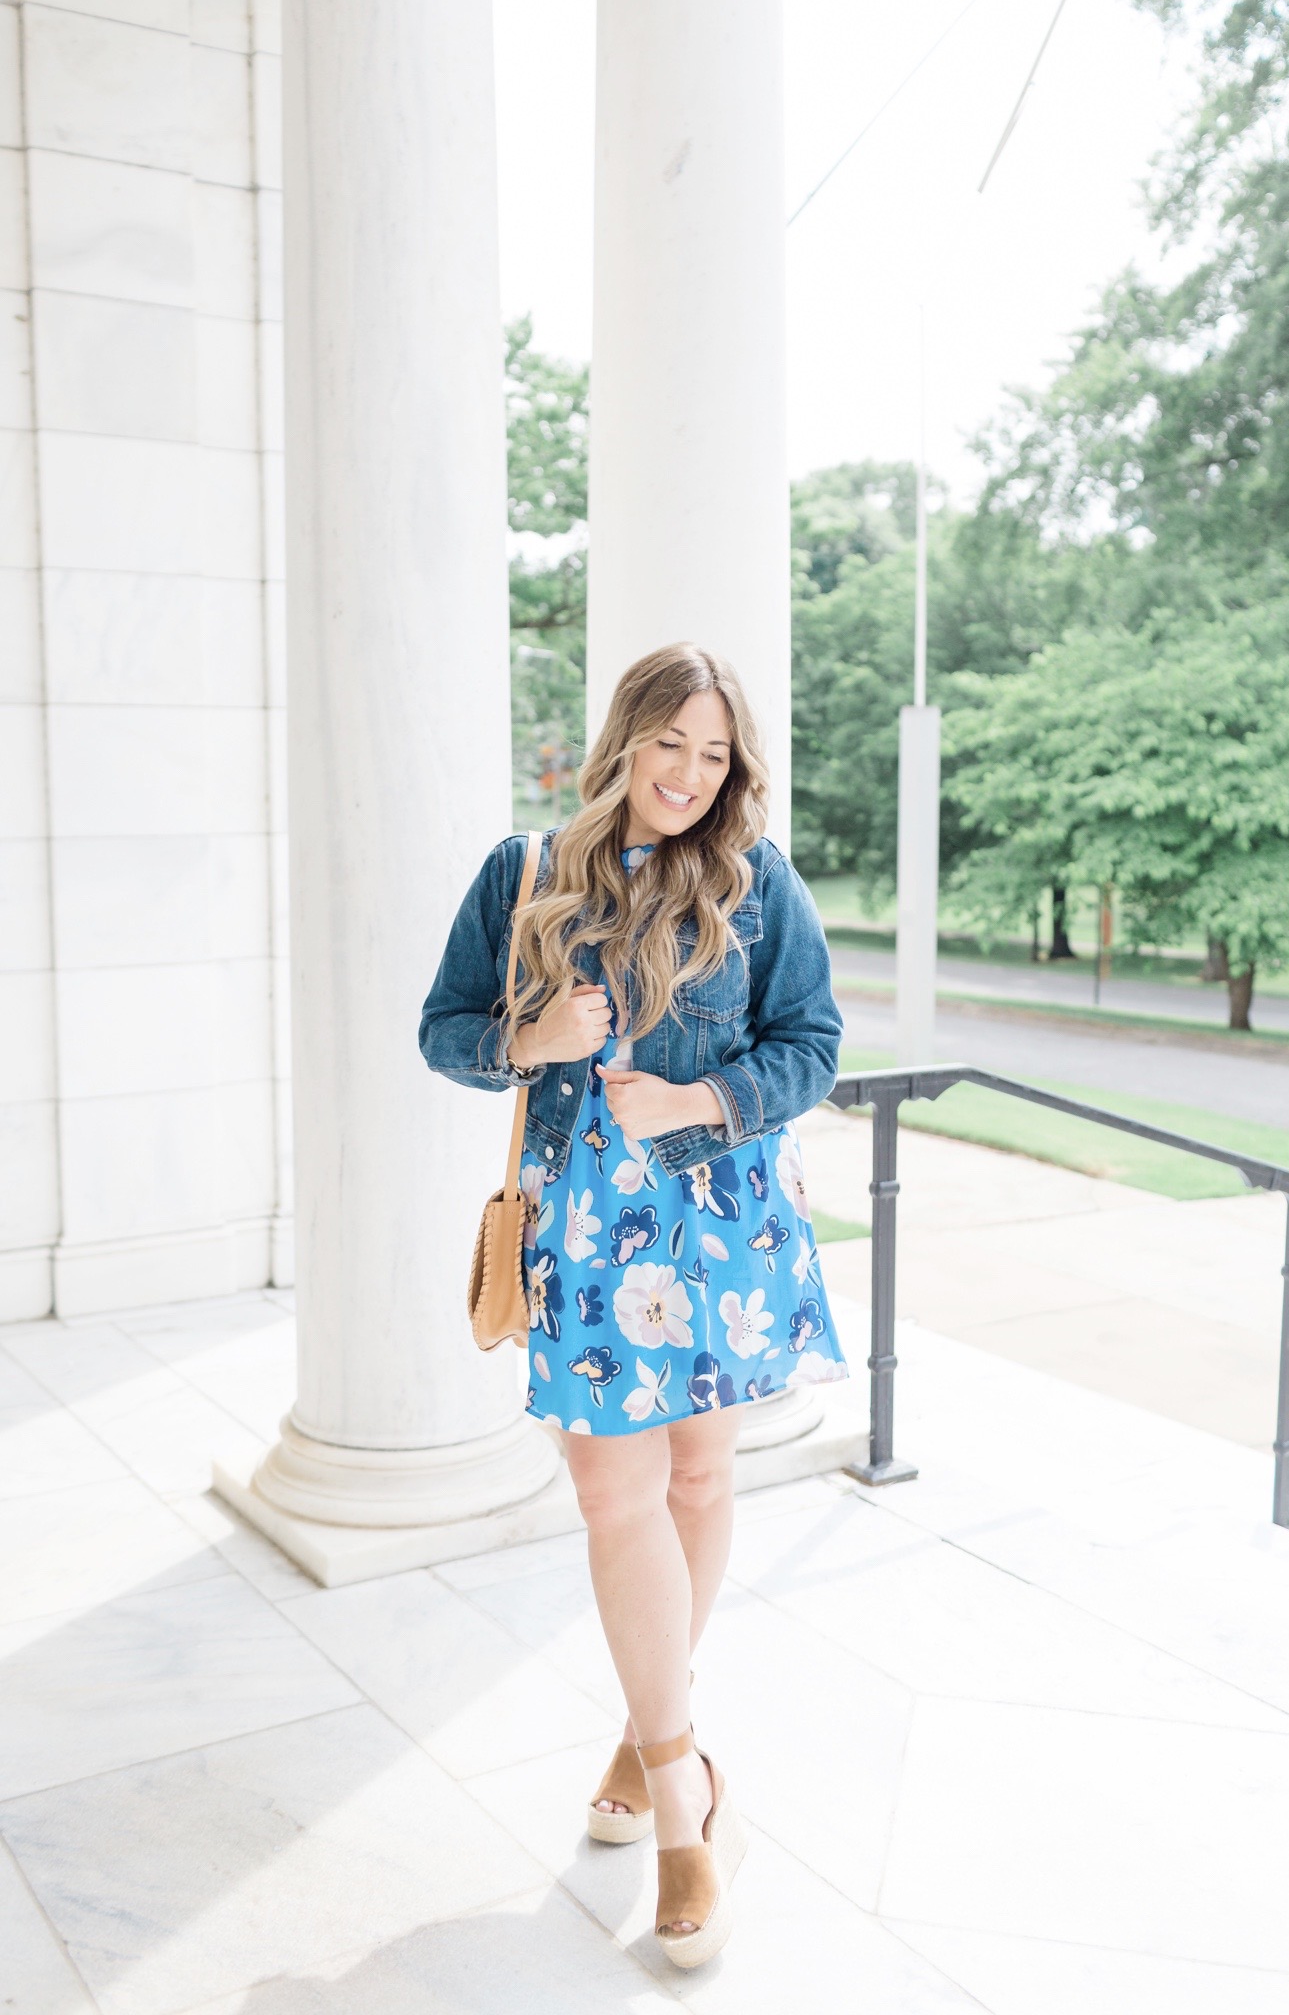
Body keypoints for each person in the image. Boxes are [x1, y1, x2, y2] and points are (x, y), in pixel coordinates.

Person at [419, 642, 847, 1968]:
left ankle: (640, 1723)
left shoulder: (755, 883)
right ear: (625, 739)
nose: (687, 773)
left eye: (712, 753)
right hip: (583, 1227)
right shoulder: (528, 873)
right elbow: (442, 1029)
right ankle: (681, 1799)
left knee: (701, 1486)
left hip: (715, 1218)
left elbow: (812, 1041)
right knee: (614, 1499)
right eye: (670, 741)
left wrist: (701, 1101)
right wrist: (523, 1044)